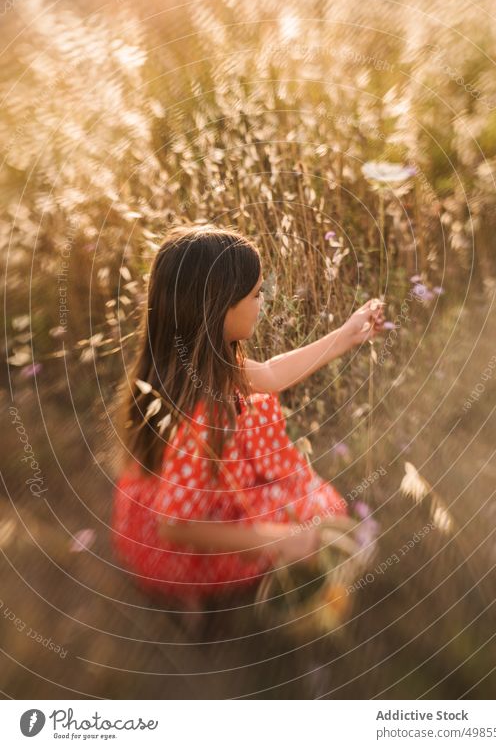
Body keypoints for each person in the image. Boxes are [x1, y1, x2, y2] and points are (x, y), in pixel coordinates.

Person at [111, 223, 385, 607]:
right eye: (256, 295)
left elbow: (271, 373)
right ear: (220, 307)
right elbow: (174, 527)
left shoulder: (200, 362)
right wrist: (281, 539)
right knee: (301, 520)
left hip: (202, 504)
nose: (263, 303)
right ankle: (195, 601)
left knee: (311, 506)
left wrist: (348, 334)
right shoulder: (199, 415)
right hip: (179, 550)